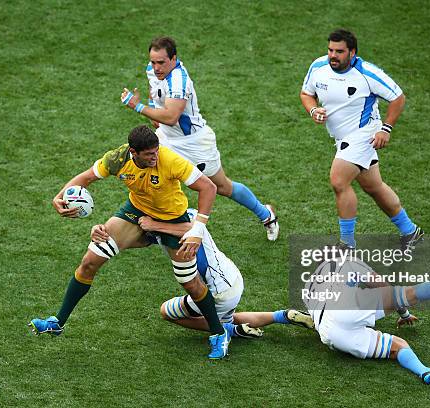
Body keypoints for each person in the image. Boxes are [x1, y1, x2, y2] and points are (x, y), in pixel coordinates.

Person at [29, 125, 232, 360]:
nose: (155, 157)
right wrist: (59, 196)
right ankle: (57, 322)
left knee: (189, 282)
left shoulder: (170, 160)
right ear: (134, 153)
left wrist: (197, 230)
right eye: (149, 154)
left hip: (172, 219)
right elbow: (86, 178)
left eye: (156, 151)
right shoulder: (117, 158)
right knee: (90, 261)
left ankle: (218, 333)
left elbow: (208, 187)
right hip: (135, 213)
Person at [120, 36, 280, 242]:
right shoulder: (153, 70)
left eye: (161, 62)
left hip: (194, 143)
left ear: (174, 59)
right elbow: (155, 93)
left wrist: (138, 107)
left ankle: (266, 215)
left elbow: (171, 117)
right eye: (153, 62)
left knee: (222, 187)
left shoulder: (179, 80)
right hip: (166, 139)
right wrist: (152, 108)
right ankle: (155, 225)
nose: (156, 67)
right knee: (149, 171)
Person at [300, 29, 423, 250]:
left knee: (339, 181)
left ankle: (347, 244)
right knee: (373, 187)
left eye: (339, 51)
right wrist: (313, 110)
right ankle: (411, 231)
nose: (333, 56)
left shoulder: (368, 73)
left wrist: (385, 129)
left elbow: (398, 97)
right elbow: (306, 94)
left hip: (363, 134)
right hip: (342, 137)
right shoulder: (318, 67)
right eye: (330, 50)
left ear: (352, 52)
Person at [305, 260, 430, 384]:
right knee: (412, 293)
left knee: (397, 346)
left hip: (330, 335)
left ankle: (426, 372)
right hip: (345, 309)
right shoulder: (350, 263)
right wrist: (404, 313)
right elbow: (386, 288)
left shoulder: (310, 286)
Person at [136, 208, 314, 340]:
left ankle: (228, 331)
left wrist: (153, 224)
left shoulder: (187, 224)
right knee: (230, 318)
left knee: (167, 312)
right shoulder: (187, 213)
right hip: (232, 278)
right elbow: (139, 239)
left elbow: (189, 229)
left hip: (218, 292)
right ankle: (283, 316)